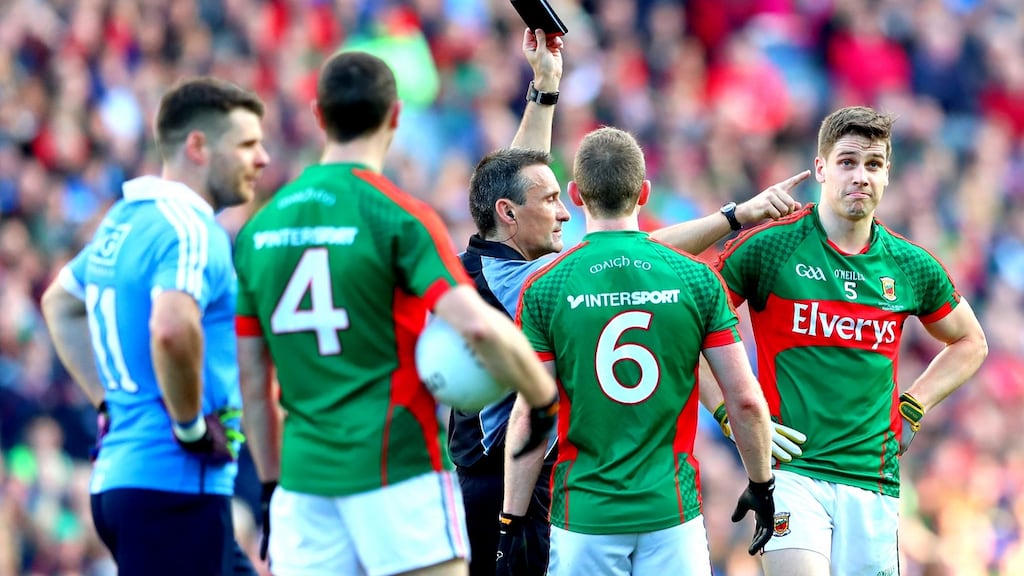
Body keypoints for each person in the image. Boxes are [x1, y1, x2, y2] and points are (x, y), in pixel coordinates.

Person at [449, 29, 808, 576]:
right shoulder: (522, 279)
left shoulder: (513, 261)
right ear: (508, 214)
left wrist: (544, 88)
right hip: (505, 479)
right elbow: (629, 256)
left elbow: (523, 179)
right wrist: (733, 218)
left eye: (560, 196)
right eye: (548, 202)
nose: (562, 215)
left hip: (560, 496)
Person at [232, 50, 560, 576]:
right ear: (395, 117)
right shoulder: (399, 218)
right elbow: (475, 323)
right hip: (396, 466)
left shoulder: (258, 231)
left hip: (303, 481)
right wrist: (541, 399)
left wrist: (271, 483)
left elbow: (252, 379)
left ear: (318, 115)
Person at [708, 105, 989, 576]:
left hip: (873, 480)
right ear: (821, 167)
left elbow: (971, 342)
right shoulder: (770, 246)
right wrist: (730, 415)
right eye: (847, 162)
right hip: (792, 473)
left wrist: (914, 406)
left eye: (873, 164)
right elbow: (690, 323)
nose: (861, 176)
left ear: (888, 174)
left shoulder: (910, 264)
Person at [502, 126, 776, 575]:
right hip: (673, 515)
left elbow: (531, 415)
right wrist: (761, 483)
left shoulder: (545, 288)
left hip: (584, 517)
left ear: (575, 195)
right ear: (644, 192)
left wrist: (510, 520)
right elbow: (745, 400)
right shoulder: (696, 278)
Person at [40, 77, 270, 575]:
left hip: (131, 485)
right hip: (173, 485)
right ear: (198, 146)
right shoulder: (191, 229)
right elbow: (171, 326)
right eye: (248, 144)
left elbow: (60, 303)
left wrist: (109, 401)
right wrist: (187, 427)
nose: (263, 158)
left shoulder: (123, 219)